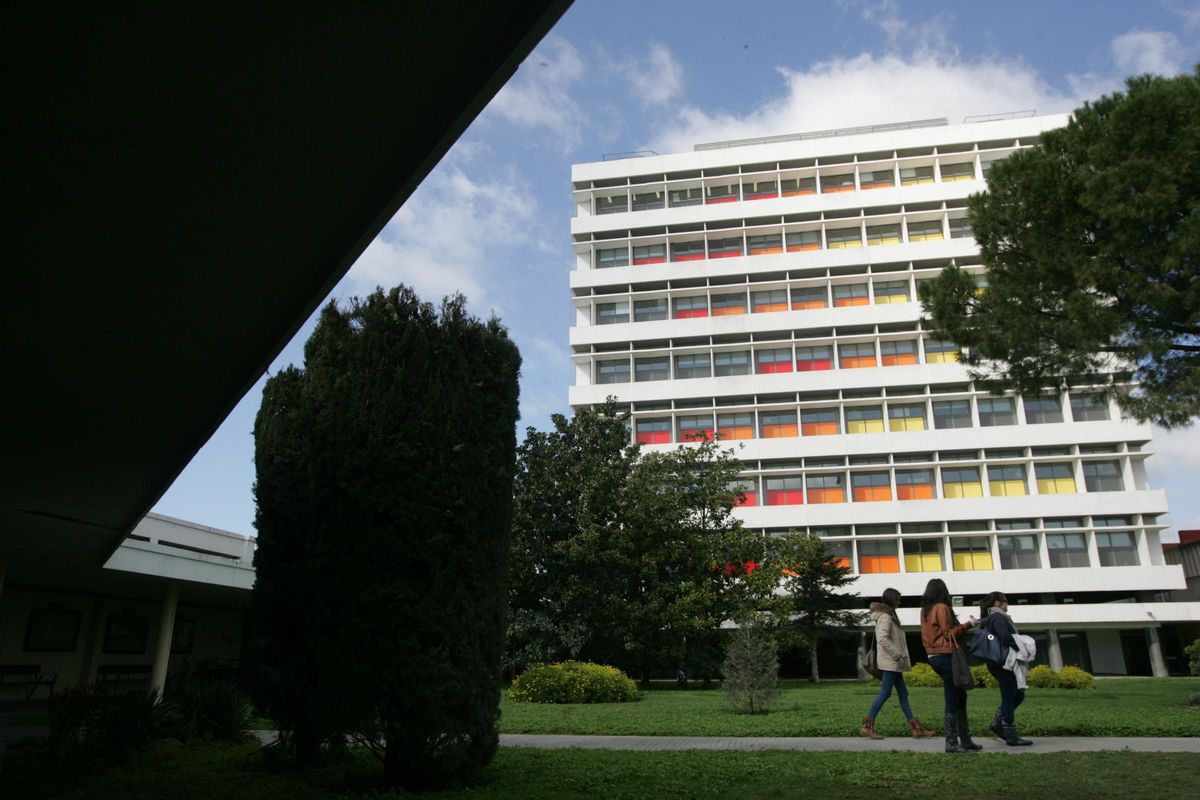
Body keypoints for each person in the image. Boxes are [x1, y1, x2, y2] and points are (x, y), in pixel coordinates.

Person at [860, 588, 934, 739]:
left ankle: (916, 729)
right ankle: (867, 727)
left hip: (894, 662)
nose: (900, 602)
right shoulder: (886, 617)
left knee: (903, 694)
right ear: (892, 599)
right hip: (891, 662)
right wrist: (897, 654)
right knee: (885, 693)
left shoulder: (890, 615)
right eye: (898, 599)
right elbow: (882, 639)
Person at [919, 578, 980, 752]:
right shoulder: (942, 608)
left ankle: (965, 740)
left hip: (933, 656)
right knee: (953, 697)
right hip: (946, 655)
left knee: (959, 695)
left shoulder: (925, 611)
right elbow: (948, 634)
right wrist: (969, 624)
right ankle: (952, 742)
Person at [977, 592, 1033, 746]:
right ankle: (1010, 733)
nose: (1007, 604)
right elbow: (1005, 637)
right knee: (1011, 694)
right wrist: (1022, 648)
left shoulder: (991, 617)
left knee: (1016, 694)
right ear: (998, 603)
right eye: (1005, 601)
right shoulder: (998, 617)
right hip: (1003, 662)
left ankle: (998, 723)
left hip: (997, 662)